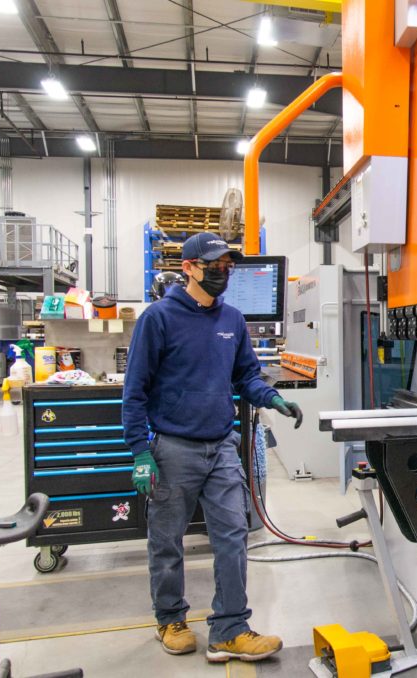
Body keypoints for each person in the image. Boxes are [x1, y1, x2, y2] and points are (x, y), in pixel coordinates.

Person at [122, 233, 303, 663]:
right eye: (213, 265)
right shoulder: (158, 318)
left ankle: (230, 628)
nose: (222, 272)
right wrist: (140, 452)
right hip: (173, 449)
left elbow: (247, 377)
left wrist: (272, 397)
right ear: (188, 267)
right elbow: (135, 391)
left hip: (221, 446)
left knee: (233, 536)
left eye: (227, 265)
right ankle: (170, 619)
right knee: (167, 540)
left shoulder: (233, 320)